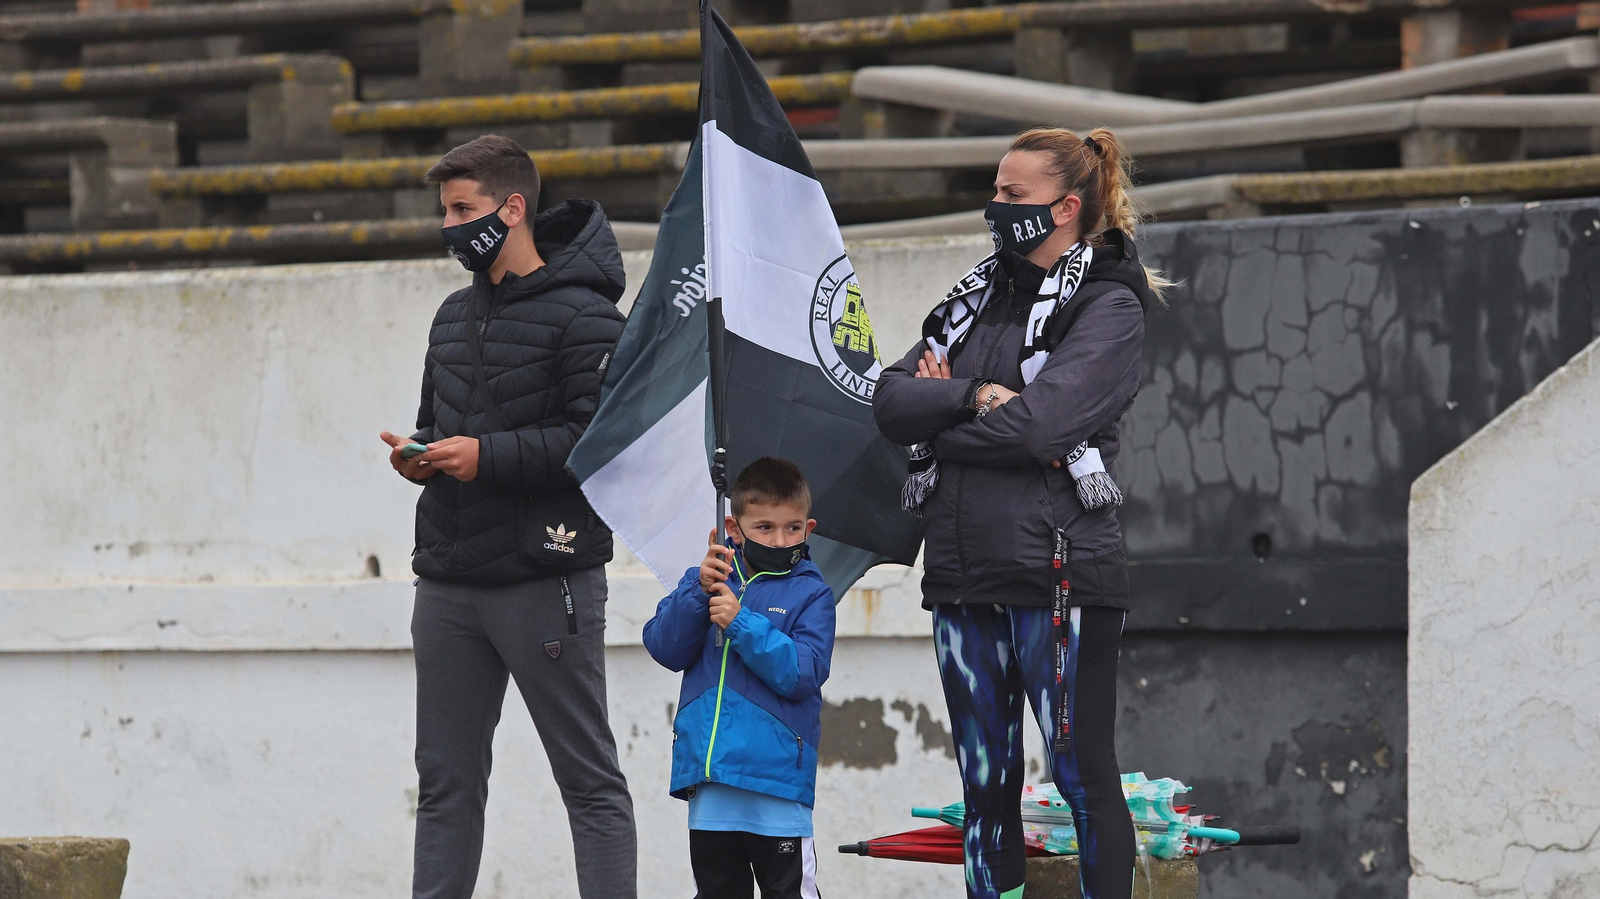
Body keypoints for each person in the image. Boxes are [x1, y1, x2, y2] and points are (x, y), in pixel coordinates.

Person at [872, 127, 1165, 899]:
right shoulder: (974, 297)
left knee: (1081, 776)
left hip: (1058, 577)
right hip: (963, 576)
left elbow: (1042, 427)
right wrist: (968, 396)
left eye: (1012, 194)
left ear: (1067, 207)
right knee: (983, 790)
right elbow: (890, 400)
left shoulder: (1109, 302)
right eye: (995, 190)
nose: (993, 206)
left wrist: (945, 418)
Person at [378, 134, 636, 899]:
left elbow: (601, 443)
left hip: (543, 579)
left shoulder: (588, 316)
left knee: (587, 781)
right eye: (445, 210)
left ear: (512, 208)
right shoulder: (451, 316)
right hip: (449, 580)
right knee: (445, 787)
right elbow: (437, 423)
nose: (451, 225)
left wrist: (485, 456)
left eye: (464, 209)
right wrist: (418, 455)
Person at [642, 457, 834, 899]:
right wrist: (697, 590)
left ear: (809, 529)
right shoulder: (707, 580)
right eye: (764, 527)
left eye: (792, 528)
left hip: (779, 789)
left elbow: (803, 673)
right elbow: (663, 648)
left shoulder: (813, 593)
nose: (780, 538)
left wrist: (741, 622)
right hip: (711, 789)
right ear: (733, 527)